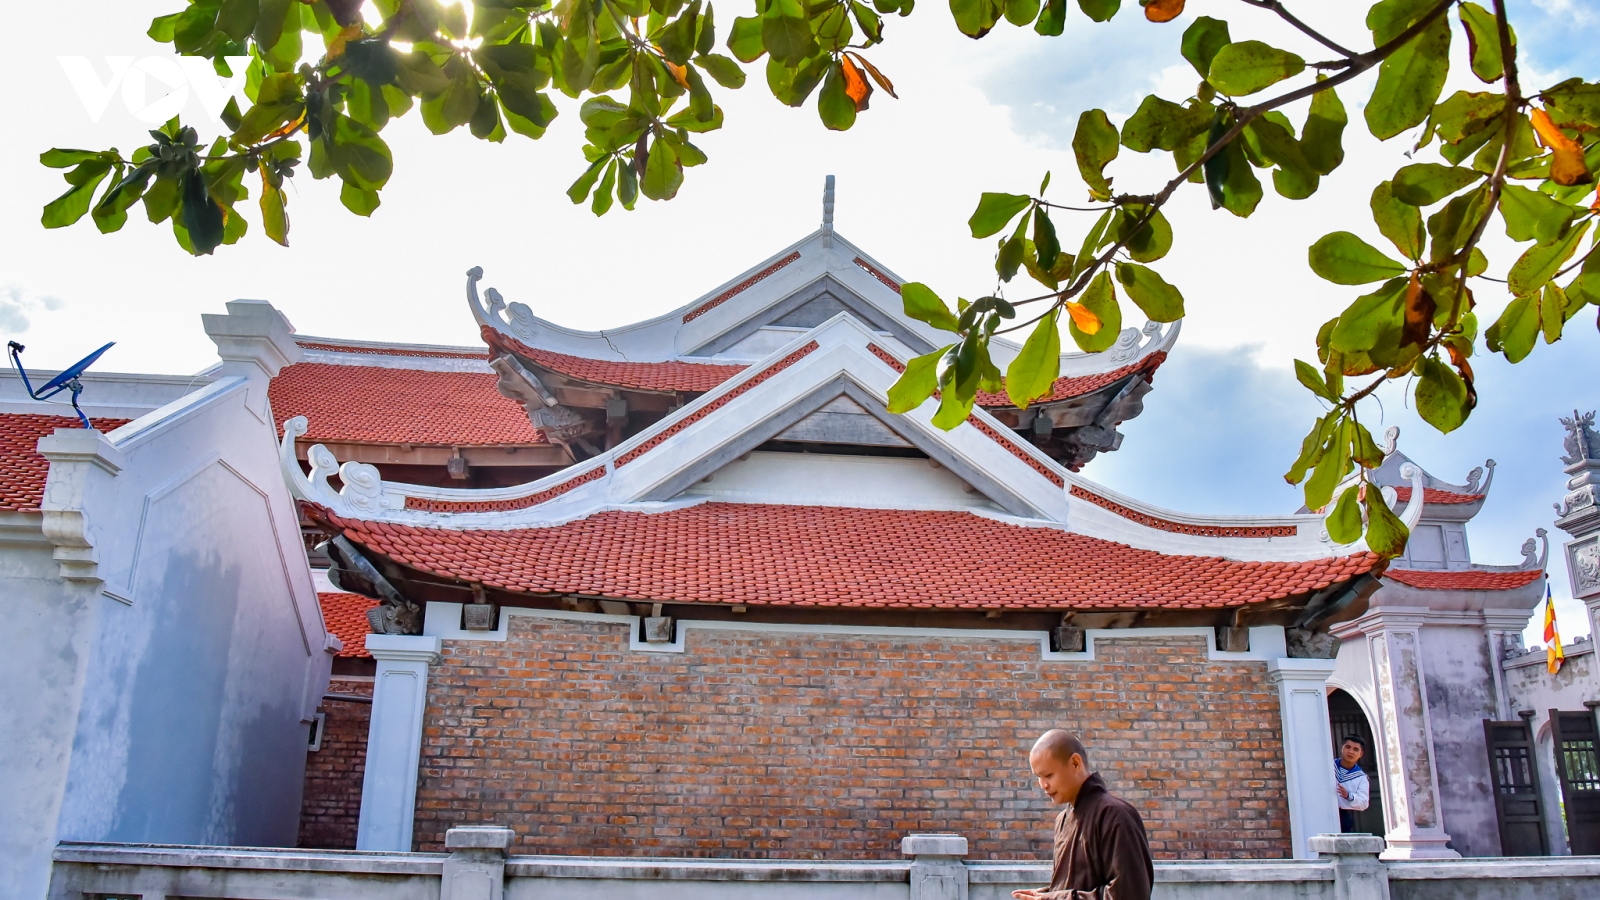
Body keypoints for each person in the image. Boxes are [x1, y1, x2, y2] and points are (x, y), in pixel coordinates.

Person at [1011, 730, 1153, 900]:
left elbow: (1129, 895)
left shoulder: (1115, 815)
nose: (1043, 785)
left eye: (1048, 775)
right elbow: (1080, 885)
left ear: (1076, 763)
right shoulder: (1062, 820)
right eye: (1038, 777)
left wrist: (1055, 898)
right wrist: (1049, 894)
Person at [1335, 735, 1370, 833]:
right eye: (1347, 747)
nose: (1351, 752)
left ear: (1360, 754)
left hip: (1343, 816)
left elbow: (1364, 803)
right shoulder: (1329, 766)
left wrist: (1349, 796)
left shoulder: (1361, 778)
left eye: (1355, 749)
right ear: (1342, 747)